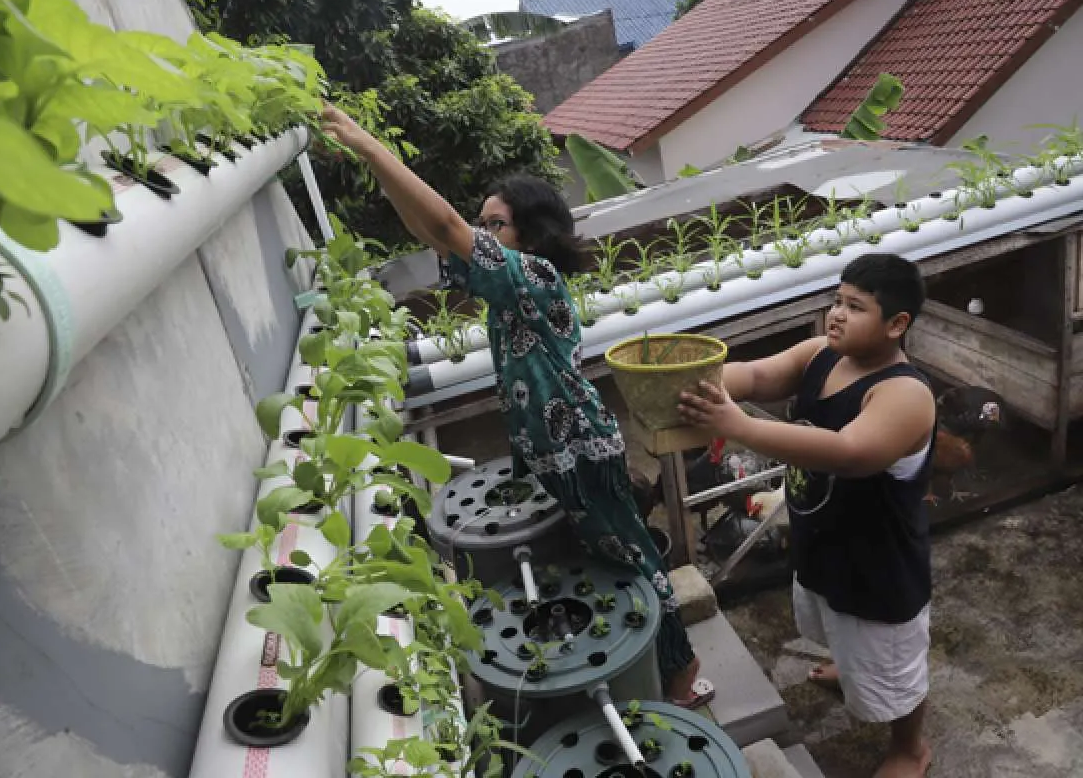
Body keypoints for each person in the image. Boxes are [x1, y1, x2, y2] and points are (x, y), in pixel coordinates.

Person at [319, 103, 713, 708]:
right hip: (547, 451)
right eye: (483, 224)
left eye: (495, 225)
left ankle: (681, 672)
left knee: (632, 562)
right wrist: (375, 168)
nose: (482, 234)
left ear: (530, 233)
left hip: (578, 450)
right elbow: (434, 233)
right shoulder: (509, 287)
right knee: (598, 565)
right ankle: (633, 675)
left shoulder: (535, 276)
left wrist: (371, 147)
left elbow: (446, 226)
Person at [676, 253, 935, 778]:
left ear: (896, 324)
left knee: (894, 669)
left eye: (855, 307)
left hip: (878, 568)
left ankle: (910, 748)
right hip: (821, 543)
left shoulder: (904, 394)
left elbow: (849, 452)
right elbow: (756, 374)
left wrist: (738, 425)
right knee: (833, 622)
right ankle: (850, 665)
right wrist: (696, 384)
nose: (836, 314)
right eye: (837, 300)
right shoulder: (821, 354)